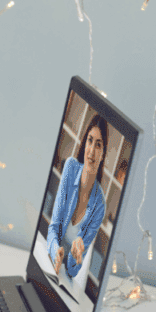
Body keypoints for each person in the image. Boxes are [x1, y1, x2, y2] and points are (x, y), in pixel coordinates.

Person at [47, 113, 108, 280]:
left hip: (66, 279)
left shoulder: (100, 205)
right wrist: (55, 252)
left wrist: (75, 257)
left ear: (103, 154)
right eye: (90, 140)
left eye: (98, 145)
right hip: (51, 264)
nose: (92, 150)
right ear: (84, 142)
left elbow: (74, 271)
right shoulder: (70, 168)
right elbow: (54, 227)